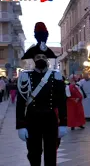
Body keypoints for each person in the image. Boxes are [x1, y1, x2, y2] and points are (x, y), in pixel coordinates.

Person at [16, 22, 67, 166]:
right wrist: (20, 125)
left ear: (47, 59)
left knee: (51, 153)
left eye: (44, 57)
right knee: (33, 153)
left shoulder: (55, 76)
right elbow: (20, 103)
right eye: (38, 57)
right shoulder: (25, 77)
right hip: (32, 119)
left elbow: (62, 101)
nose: (41, 59)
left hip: (50, 119)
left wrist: (63, 123)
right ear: (33, 59)